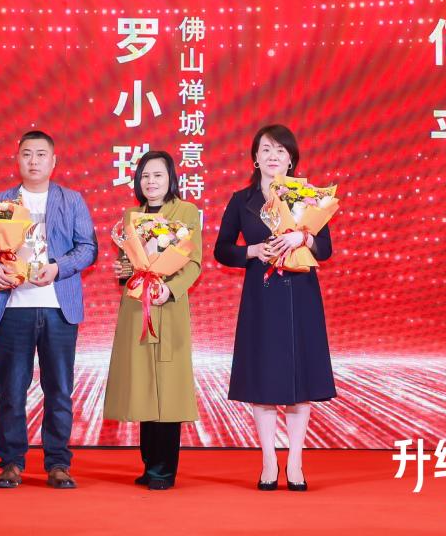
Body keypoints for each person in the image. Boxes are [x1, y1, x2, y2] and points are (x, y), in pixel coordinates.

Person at [213, 124, 335, 492]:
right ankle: (269, 460)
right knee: (262, 379)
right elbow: (222, 249)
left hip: (301, 295)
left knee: (300, 381)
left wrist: (304, 237)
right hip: (261, 295)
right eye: (265, 149)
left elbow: (326, 250)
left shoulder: (309, 197)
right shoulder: (242, 200)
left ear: (291, 159)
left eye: (280, 150)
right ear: (255, 157)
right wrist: (252, 251)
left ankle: (295, 462)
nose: (273, 156)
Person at [0, 130, 97, 489]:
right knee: (11, 390)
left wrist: (58, 267)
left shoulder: (72, 201)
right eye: (27, 154)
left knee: (59, 390)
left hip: (59, 308)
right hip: (14, 308)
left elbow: (88, 248)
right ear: (18, 159)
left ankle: (58, 462)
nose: (33, 161)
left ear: (53, 161)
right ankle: (11, 462)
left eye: (41, 154)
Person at [104, 150, 202, 490]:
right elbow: (128, 263)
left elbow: (193, 262)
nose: (151, 181)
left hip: (167, 307)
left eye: (158, 175)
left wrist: (169, 290)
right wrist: (123, 270)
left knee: (168, 389)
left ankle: (164, 469)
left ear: (171, 178)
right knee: (143, 386)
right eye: (145, 176)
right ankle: (149, 463)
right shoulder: (131, 215)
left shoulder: (186, 211)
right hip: (137, 308)